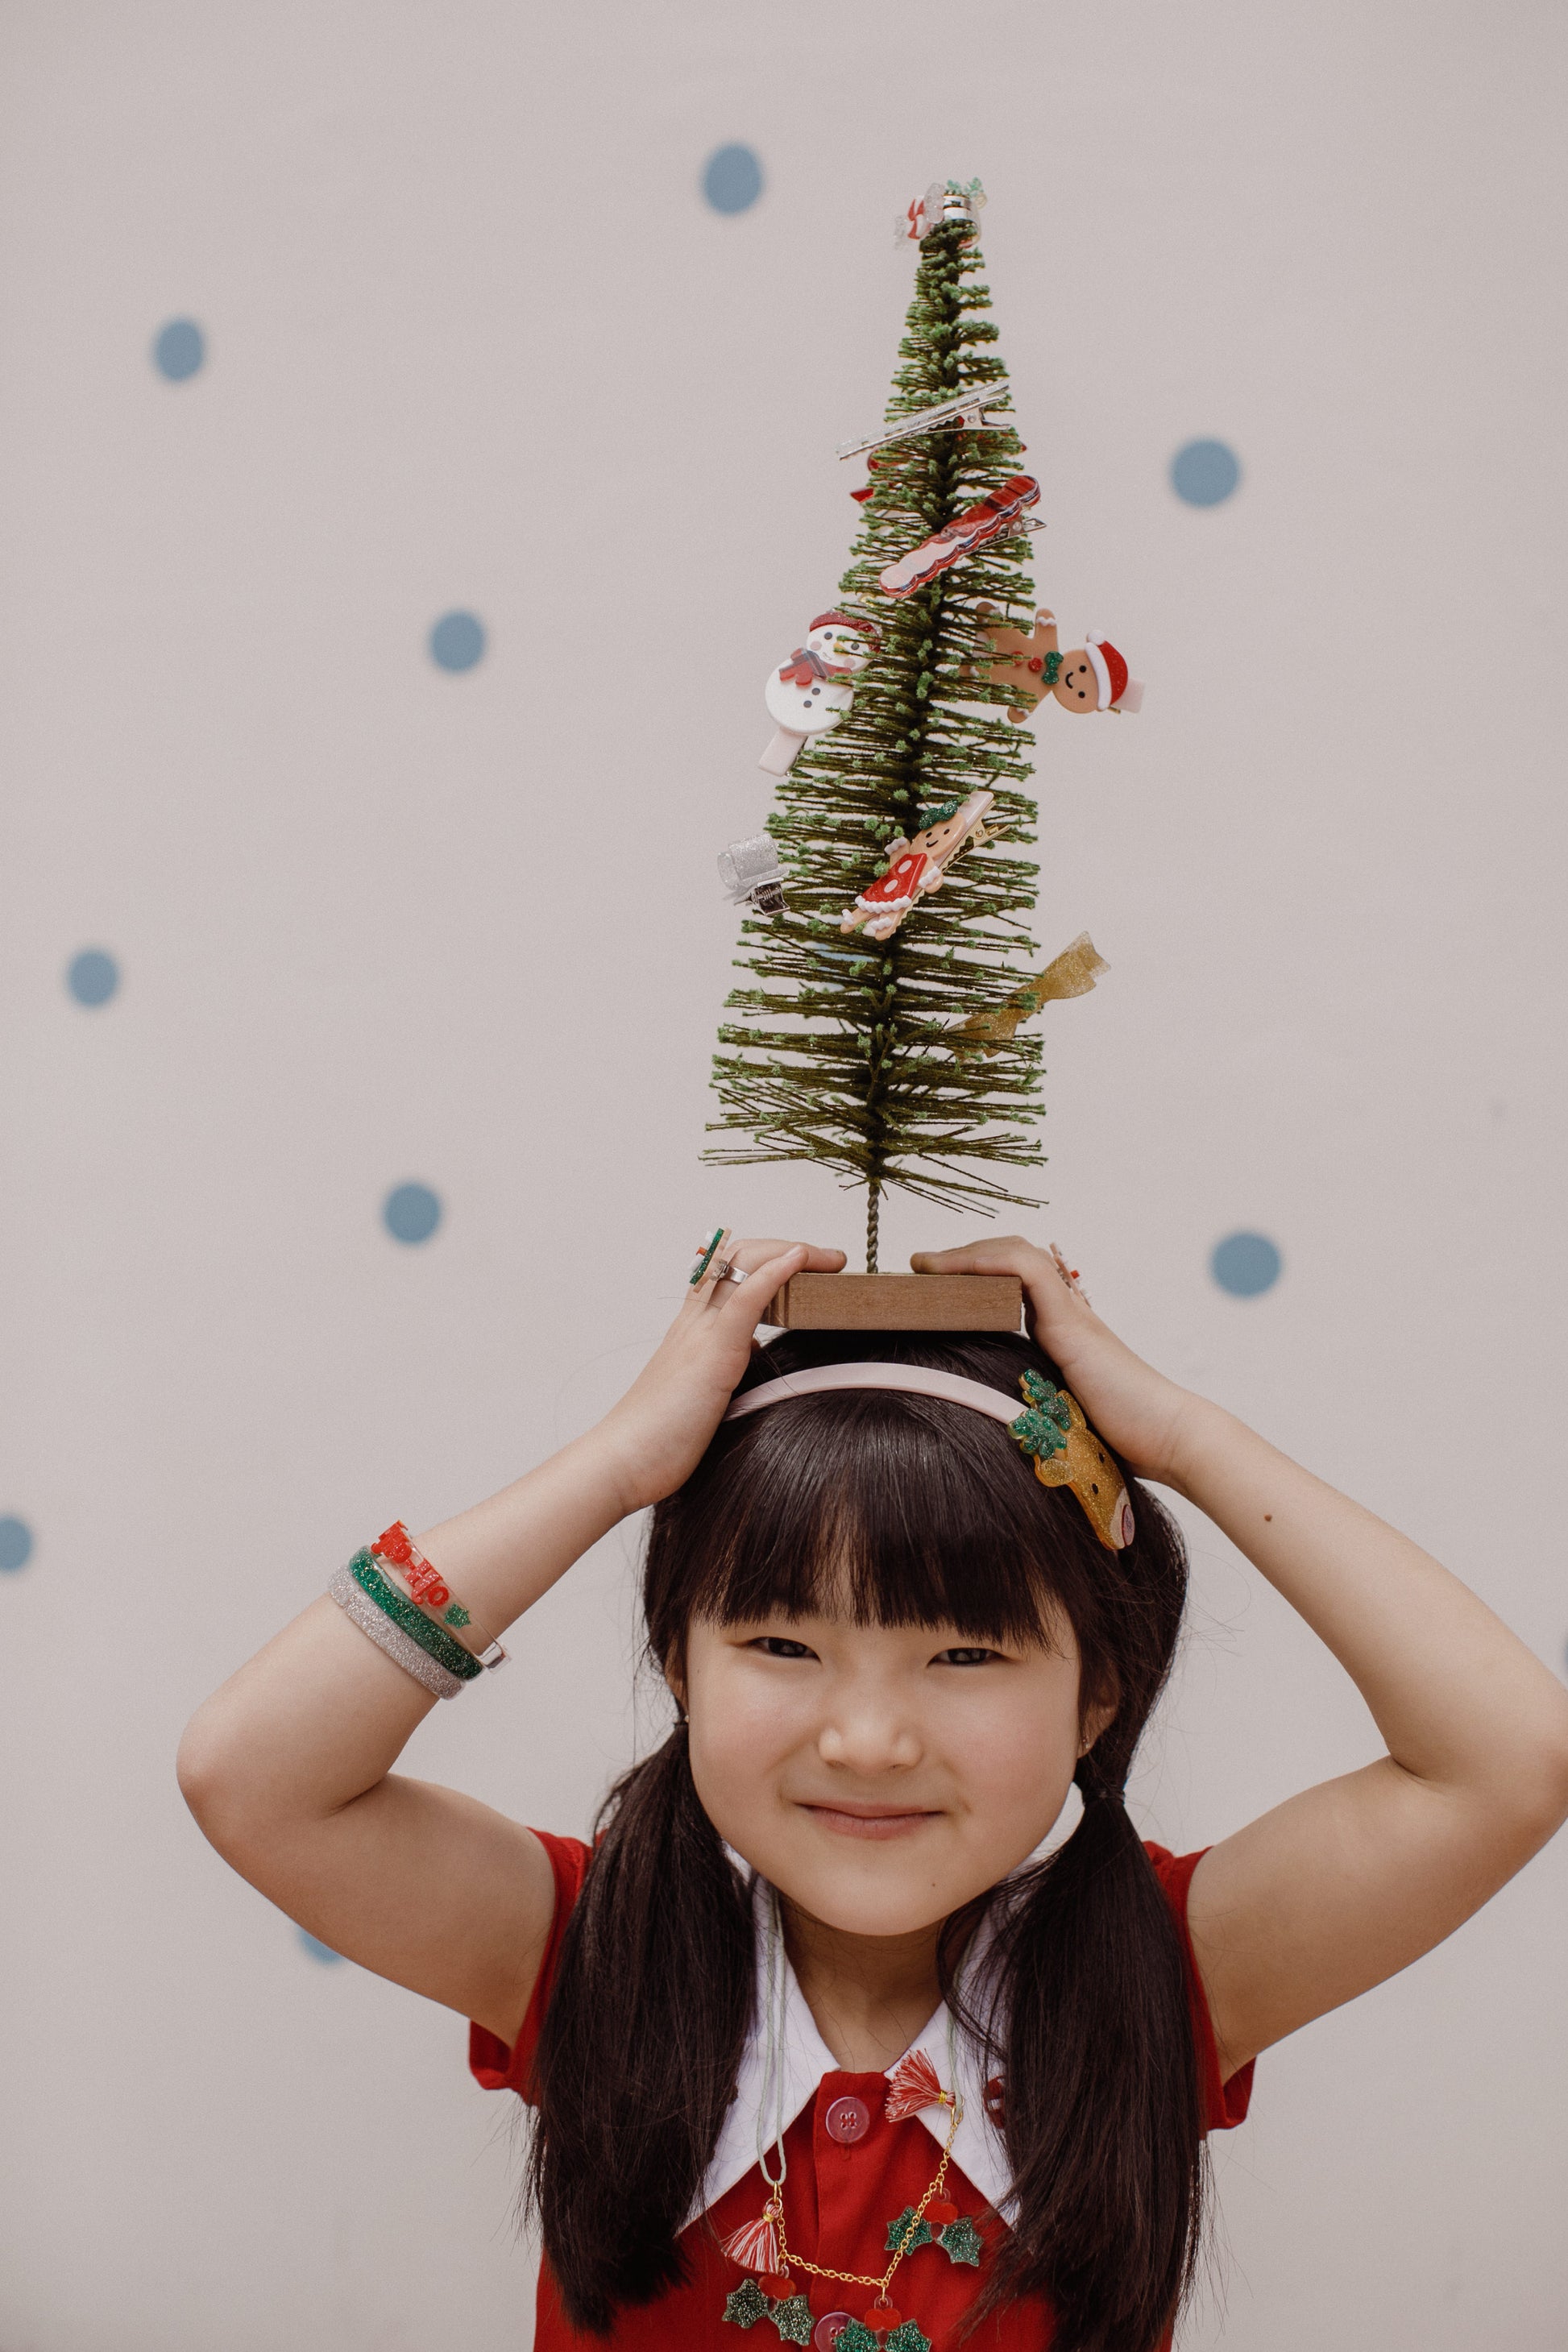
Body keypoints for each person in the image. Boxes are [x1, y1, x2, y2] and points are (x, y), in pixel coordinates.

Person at [177, 1234, 1568, 2352]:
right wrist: (618, 1465)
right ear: (676, 1661)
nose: (866, 1740)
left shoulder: (1169, 1967)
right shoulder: (582, 1949)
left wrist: (1184, 1439)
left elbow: (1508, 1758)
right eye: (783, 1647)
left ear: (1100, 1694)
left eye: (964, 1656)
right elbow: (253, 1776)